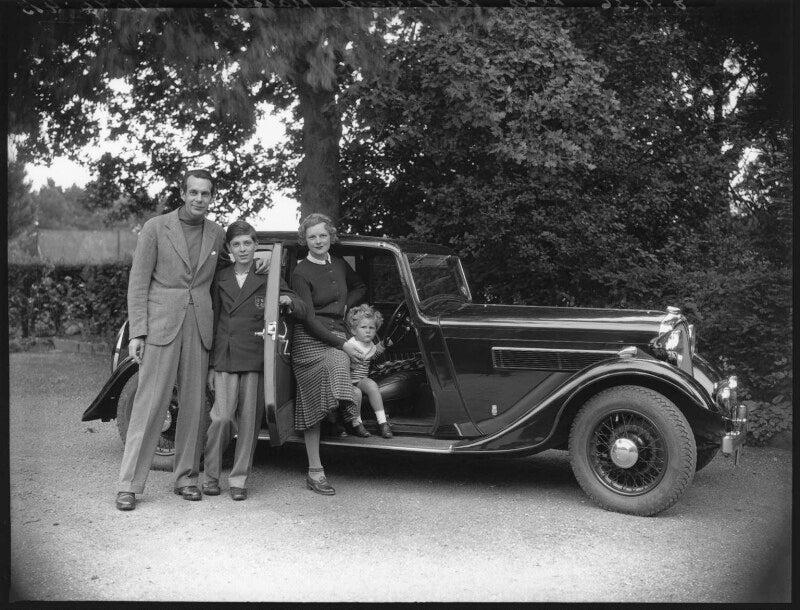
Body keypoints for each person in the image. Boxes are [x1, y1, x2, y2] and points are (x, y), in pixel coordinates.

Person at [115, 169, 227, 511]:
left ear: (212, 197)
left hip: (199, 325)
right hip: (161, 323)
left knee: (194, 406)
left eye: (205, 194)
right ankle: (129, 485)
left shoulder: (217, 233)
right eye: (193, 192)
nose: (198, 199)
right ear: (183, 192)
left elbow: (221, 276)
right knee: (149, 403)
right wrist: (138, 331)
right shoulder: (155, 227)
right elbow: (138, 281)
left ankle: (186, 478)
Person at [202, 220, 306, 501]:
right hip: (225, 356)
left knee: (248, 424)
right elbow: (213, 321)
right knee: (222, 418)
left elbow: (298, 304)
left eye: (247, 243)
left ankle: (238, 479)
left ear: (255, 245)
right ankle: (210, 475)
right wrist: (211, 364)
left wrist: (285, 301)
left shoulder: (268, 277)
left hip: (256, 358)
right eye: (236, 244)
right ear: (228, 249)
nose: (243, 249)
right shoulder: (220, 277)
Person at [291, 213, 367, 495]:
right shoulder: (301, 273)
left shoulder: (338, 263)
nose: (318, 241)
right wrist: (343, 344)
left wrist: (348, 305)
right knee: (334, 367)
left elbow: (360, 286)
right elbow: (308, 319)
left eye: (323, 235)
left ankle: (339, 410)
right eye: (312, 237)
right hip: (309, 338)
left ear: (331, 236)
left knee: (341, 357)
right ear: (305, 240)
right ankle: (316, 470)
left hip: (335, 332)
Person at [344, 304, 393, 439]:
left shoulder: (370, 344)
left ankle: (382, 422)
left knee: (372, 385)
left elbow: (372, 355)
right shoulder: (351, 345)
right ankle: (356, 423)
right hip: (348, 380)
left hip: (360, 379)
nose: (368, 331)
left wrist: (382, 346)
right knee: (357, 393)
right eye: (363, 327)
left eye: (372, 328)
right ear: (354, 330)